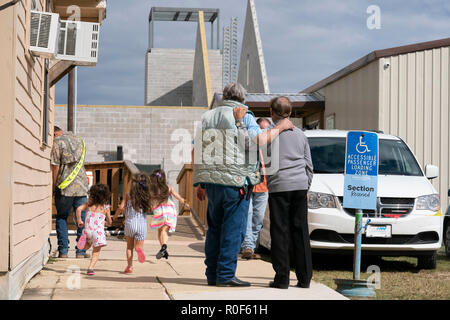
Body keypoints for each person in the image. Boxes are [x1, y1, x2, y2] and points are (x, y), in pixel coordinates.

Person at [194, 83, 294, 287]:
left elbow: (198, 150)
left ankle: (211, 274)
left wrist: (200, 182)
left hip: (212, 183)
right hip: (236, 181)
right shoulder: (244, 115)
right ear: (242, 98)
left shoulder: (207, 117)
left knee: (214, 229)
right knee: (233, 230)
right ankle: (226, 274)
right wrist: (280, 127)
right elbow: (258, 140)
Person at [265, 97, 314, 289]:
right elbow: (309, 165)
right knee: (300, 231)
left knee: (280, 231)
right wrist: (306, 185)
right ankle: (304, 278)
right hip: (300, 186)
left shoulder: (270, 134)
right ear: (291, 113)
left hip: (279, 186)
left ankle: (282, 277)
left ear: (271, 112)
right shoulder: (301, 135)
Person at [51, 126, 90, 259]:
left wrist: (54, 185)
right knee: (82, 218)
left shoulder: (57, 141)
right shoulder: (80, 140)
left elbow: (55, 165)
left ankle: (63, 251)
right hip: (82, 186)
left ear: (55, 133)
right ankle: (81, 251)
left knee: (62, 217)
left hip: (65, 187)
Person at [241, 118, 271, 260]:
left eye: (266, 129)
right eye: (261, 129)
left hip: (264, 187)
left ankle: (250, 246)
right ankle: (248, 246)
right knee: (248, 215)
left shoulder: (269, 146)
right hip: (249, 185)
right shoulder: (250, 143)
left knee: (258, 219)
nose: (264, 132)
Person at [148, 169, 189, 260]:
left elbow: (150, 202)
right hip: (170, 211)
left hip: (159, 212)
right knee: (164, 231)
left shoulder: (153, 190)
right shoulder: (168, 188)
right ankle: (164, 248)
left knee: (160, 232)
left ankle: (163, 248)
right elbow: (177, 196)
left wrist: (150, 206)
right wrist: (184, 202)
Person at [114, 173, 151, 273]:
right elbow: (151, 208)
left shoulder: (128, 195)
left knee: (129, 247)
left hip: (130, 223)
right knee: (138, 246)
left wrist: (117, 216)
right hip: (142, 224)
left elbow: (121, 207)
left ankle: (129, 266)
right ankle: (139, 250)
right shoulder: (147, 196)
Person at [75, 184, 112, 275]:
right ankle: (90, 268)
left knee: (88, 245)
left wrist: (79, 220)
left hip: (87, 230)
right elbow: (109, 222)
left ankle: (84, 245)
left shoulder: (88, 204)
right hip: (98, 233)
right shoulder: (105, 207)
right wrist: (105, 223)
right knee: (96, 252)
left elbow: (78, 209)